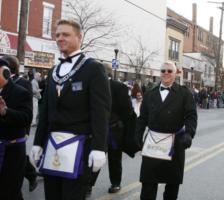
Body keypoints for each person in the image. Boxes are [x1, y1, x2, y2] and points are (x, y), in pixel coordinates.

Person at [29, 19, 111, 200]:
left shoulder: (94, 68)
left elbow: (101, 112)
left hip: (80, 148)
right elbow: (45, 111)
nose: (60, 38)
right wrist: (37, 142)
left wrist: (99, 147)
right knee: (51, 195)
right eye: (57, 35)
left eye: (65, 34)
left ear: (79, 37)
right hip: (53, 147)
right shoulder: (54, 70)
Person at [135, 61, 198, 200]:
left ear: (175, 74)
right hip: (152, 143)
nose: (166, 73)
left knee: (172, 185)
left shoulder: (184, 93)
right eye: (163, 70)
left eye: (169, 71)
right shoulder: (150, 94)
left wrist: (189, 133)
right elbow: (142, 118)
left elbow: (191, 116)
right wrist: (137, 136)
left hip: (174, 144)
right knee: (148, 184)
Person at [87, 63, 136, 196]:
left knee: (103, 157)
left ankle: (92, 185)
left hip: (108, 130)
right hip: (106, 129)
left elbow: (127, 110)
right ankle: (110, 183)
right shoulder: (116, 86)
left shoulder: (116, 87)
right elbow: (128, 110)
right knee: (105, 157)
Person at [1, 55, 38, 192]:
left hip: (13, 146)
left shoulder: (22, 86)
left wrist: (6, 112)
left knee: (10, 191)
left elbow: (26, 115)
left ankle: (31, 175)